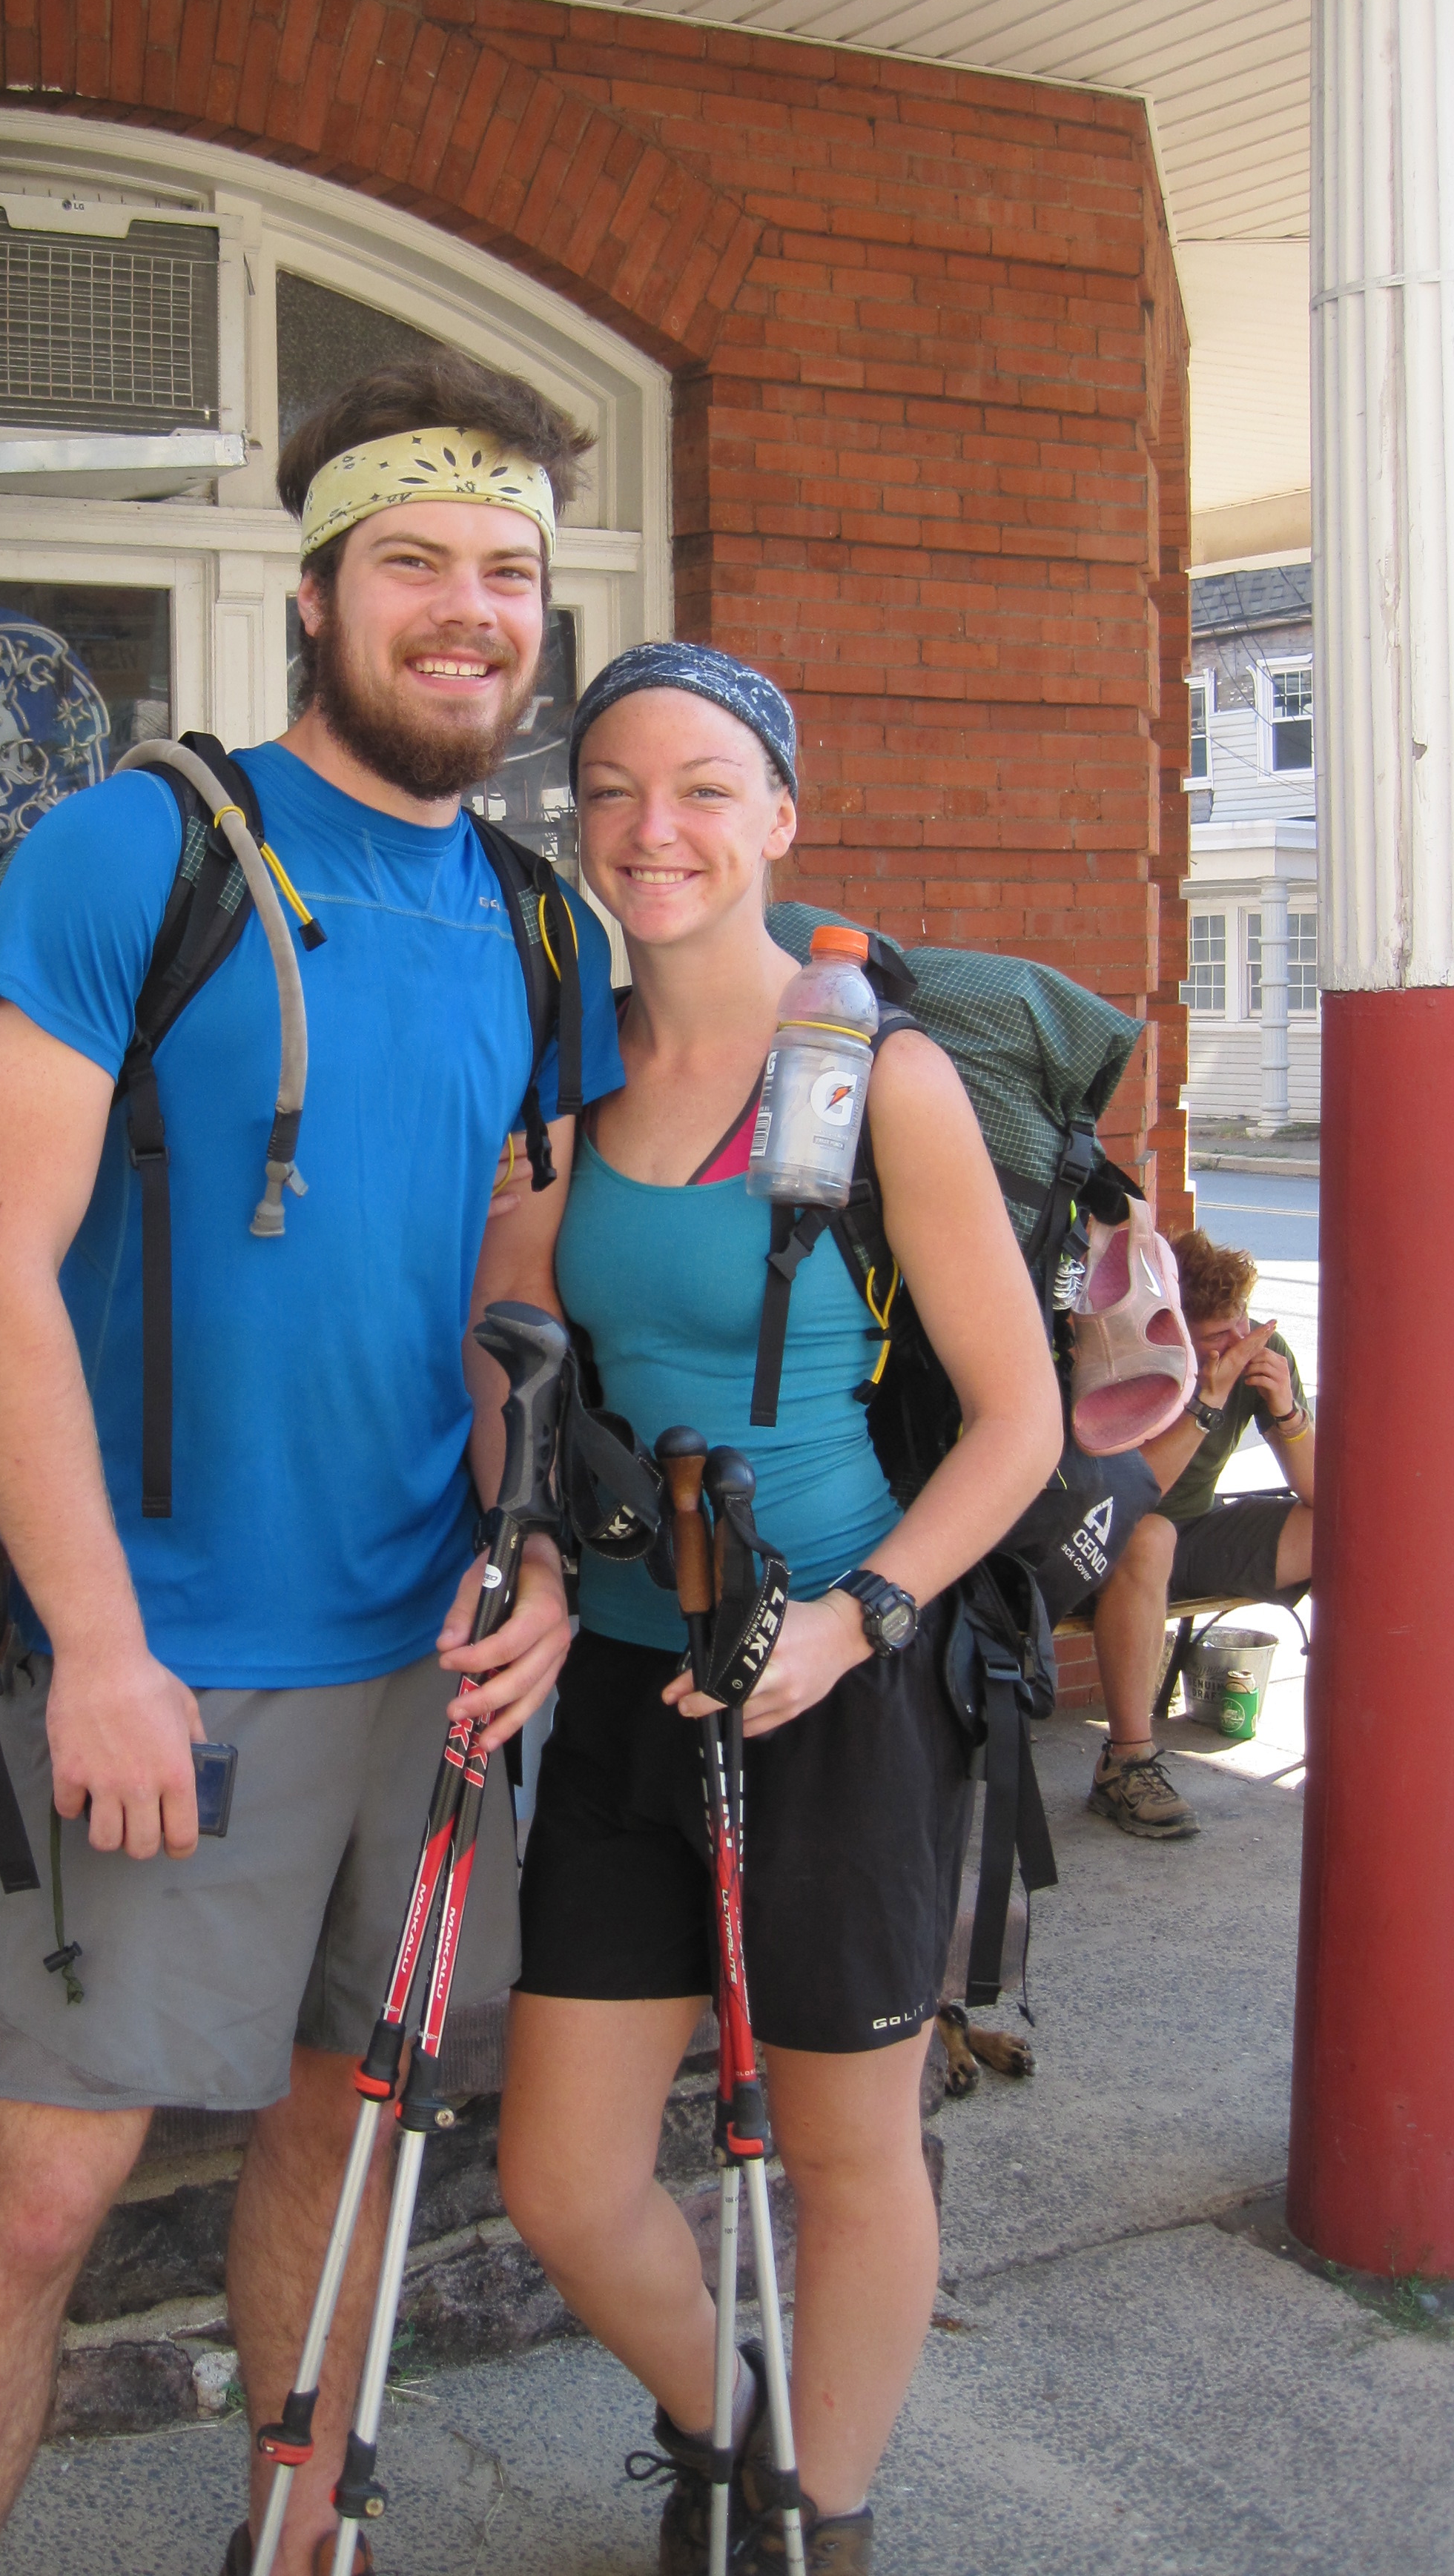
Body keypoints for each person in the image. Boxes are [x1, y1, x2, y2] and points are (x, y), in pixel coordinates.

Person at [0, 352, 623, 2576]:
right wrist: (97, 1647)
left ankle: (303, 2553)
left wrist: (534, 1551)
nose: (467, 611)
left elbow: (510, 1282)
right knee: (39, 2191)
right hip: (171, 1652)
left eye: (507, 573)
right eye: (414, 563)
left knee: (345, 2131)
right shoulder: (140, 850)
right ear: (313, 594)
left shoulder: (539, 923)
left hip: (424, 1660)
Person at [494, 644, 1063, 2576]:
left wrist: (860, 1620)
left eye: (706, 789)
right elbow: (520, 1359)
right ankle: (734, 2435)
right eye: (615, 790)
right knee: (563, 2178)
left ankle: (825, 2517)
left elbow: (1020, 1421)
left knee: (842, 2152)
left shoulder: (877, 1078)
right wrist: (541, 1557)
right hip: (625, 1681)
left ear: (781, 820)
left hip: (836, 1683)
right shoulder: (563, 1078)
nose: (655, 829)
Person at [1084, 1226, 1314, 1840]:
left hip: (1194, 1536)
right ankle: (1126, 1763)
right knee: (1151, 1534)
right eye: (1216, 1337)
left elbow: (1322, 1492)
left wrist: (1287, 1409)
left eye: (1241, 1323)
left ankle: (1355, 1735)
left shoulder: (1260, 1350)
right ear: (1175, 1331)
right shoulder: (1136, 1355)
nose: (1239, 1344)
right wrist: (1207, 1399)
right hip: (1104, 1540)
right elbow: (1134, 1496)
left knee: (1349, 1528)